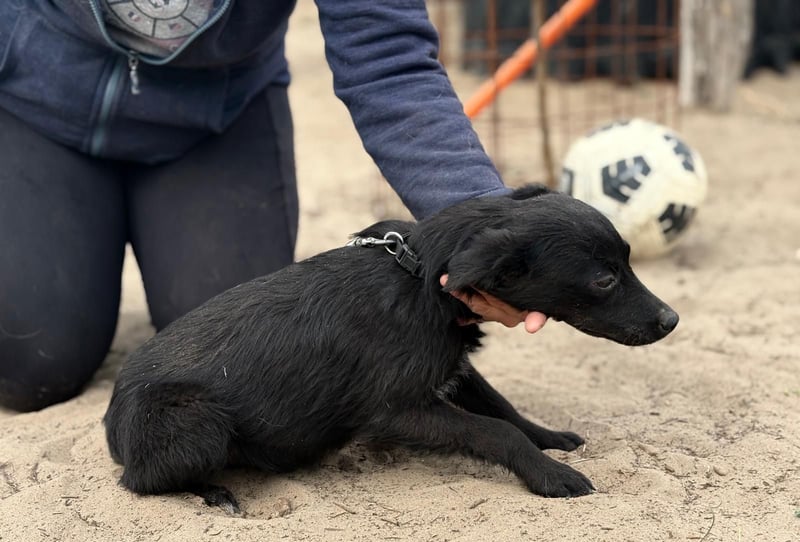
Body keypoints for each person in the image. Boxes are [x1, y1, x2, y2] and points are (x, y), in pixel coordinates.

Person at [0, 1, 545, 413]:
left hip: (216, 117)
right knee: (34, 364)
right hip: (34, 104)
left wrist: (485, 224)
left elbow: (389, 58)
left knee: (241, 360)